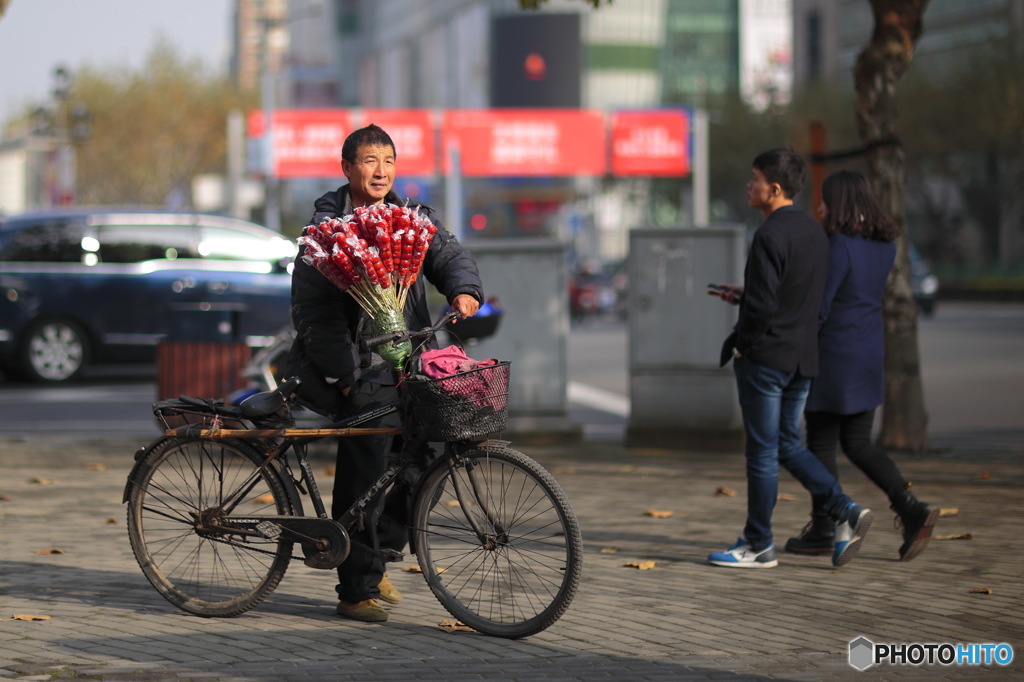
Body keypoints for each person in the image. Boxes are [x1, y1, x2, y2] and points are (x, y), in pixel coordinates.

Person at [286, 124, 484, 622]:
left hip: (411, 362)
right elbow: (315, 316)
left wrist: (464, 289)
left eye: (389, 161)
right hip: (358, 370)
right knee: (366, 472)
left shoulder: (409, 218)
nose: (381, 170)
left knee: (427, 459)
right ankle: (356, 589)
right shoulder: (325, 233)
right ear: (347, 168)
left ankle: (377, 555)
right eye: (370, 161)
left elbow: (447, 253)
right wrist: (348, 377)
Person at [707, 148, 873, 569]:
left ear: (774, 188)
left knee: (762, 452)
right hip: (802, 359)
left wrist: (744, 343)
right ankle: (845, 509)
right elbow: (801, 298)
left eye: (755, 178)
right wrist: (745, 296)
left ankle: (758, 544)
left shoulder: (768, 235)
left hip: (765, 360)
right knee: (785, 444)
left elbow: (763, 309)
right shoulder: (816, 233)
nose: (750, 185)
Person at [785, 170, 938, 562]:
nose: (820, 207)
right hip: (869, 352)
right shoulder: (884, 245)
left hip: (834, 355)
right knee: (857, 443)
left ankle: (825, 527)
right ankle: (910, 507)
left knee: (819, 442)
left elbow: (822, 306)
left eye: (825, 200)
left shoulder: (839, 245)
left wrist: (794, 344)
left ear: (841, 203)